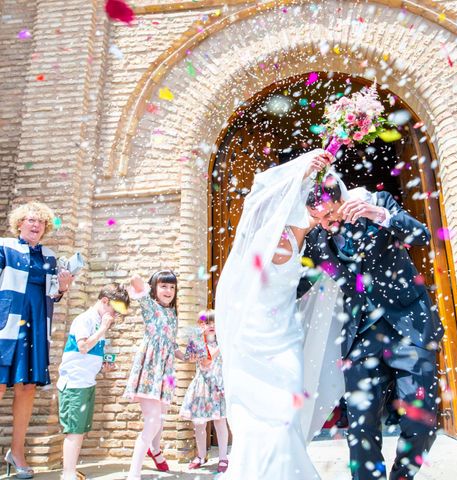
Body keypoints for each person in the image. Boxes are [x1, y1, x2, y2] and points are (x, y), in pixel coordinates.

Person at [299, 180, 443, 480]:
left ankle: (402, 476)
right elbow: (301, 284)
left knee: (422, 419)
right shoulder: (318, 239)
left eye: (330, 214)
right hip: (360, 337)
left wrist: (379, 215)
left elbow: (421, 235)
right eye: (319, 219)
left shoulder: (379, 202)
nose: (327, 223)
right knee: (361, 426)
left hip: (409, 327)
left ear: (341, 198)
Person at [214, 149, 337, 479]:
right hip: (251, 338)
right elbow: (258, 196)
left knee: (286, 411)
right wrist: (300, 170)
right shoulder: (267, 229)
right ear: (312, 202)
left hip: (285, 338)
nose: (335, 218)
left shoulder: (313, 240)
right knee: (256, 419)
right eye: (332, 209)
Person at [0, 202, 74, 479]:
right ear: (19, 223)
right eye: (31, 220)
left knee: (27, 388)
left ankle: (16, 453)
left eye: (41, 222)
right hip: (5, 325)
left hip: (35, 327)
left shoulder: (50, 256)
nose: (36, 225)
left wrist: (63, 287)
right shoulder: (4, 247)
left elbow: (54, 293)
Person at [57, 283, 130, 480]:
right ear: (105, 301)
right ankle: (68, 474)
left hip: (86, 383)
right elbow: (82, 346)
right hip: (73, 384)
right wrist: (103, 329)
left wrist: (102, 365)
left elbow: (90, 352)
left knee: (79, 430)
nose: (114, 317)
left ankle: (71, 470)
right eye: (114, 311)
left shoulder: (98, 322)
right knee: (73, 430)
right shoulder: (85, 319)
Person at [124, 271, 191, 480]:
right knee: (152, 421)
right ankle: (133, 474)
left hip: (166, 372)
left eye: (172, 287)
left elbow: (171, 344)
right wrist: (142, 285)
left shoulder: (173, 314)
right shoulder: (150, 306)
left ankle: (155, 449)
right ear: (154, 288)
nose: (168, 291)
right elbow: (135, 281)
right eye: (163, 286)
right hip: (149, 370)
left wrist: (186, 356)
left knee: (160, 417)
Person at [179, 309, 229, 473]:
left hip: (218, 386)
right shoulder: (198, 342)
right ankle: (200, 455)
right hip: (201, 387)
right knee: (199, 423)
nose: (211, 325)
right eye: (207, 322)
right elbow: (202, 361)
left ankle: (223, 457)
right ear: (201, 325)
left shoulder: (224, 342)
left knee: (220, 422)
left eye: (214, 322)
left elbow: (214, 360)